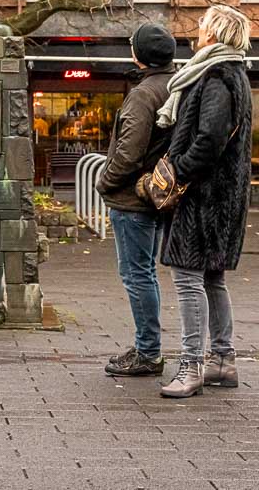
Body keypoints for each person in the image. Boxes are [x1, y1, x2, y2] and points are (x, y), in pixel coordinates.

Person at [151, 4, 253, 399]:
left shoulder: (216, 76)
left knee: (187, 277)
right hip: (222, 195)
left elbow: (210, 138)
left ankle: (191, 366)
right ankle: (223, 361)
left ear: (215, 33)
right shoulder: (232, 73)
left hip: (204, 197)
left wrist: (179, 171)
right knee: (212, 277)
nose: (198, 29)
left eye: (203, 24)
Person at [96, 23, 177, 378]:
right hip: (156, 194)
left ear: (139, 54)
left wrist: (105, 182)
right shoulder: (175, 85)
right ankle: (148, 346)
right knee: (146, 273)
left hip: (132, 200)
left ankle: (148, 352)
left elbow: (128, 153)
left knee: (137, 275)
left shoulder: (144, 94)